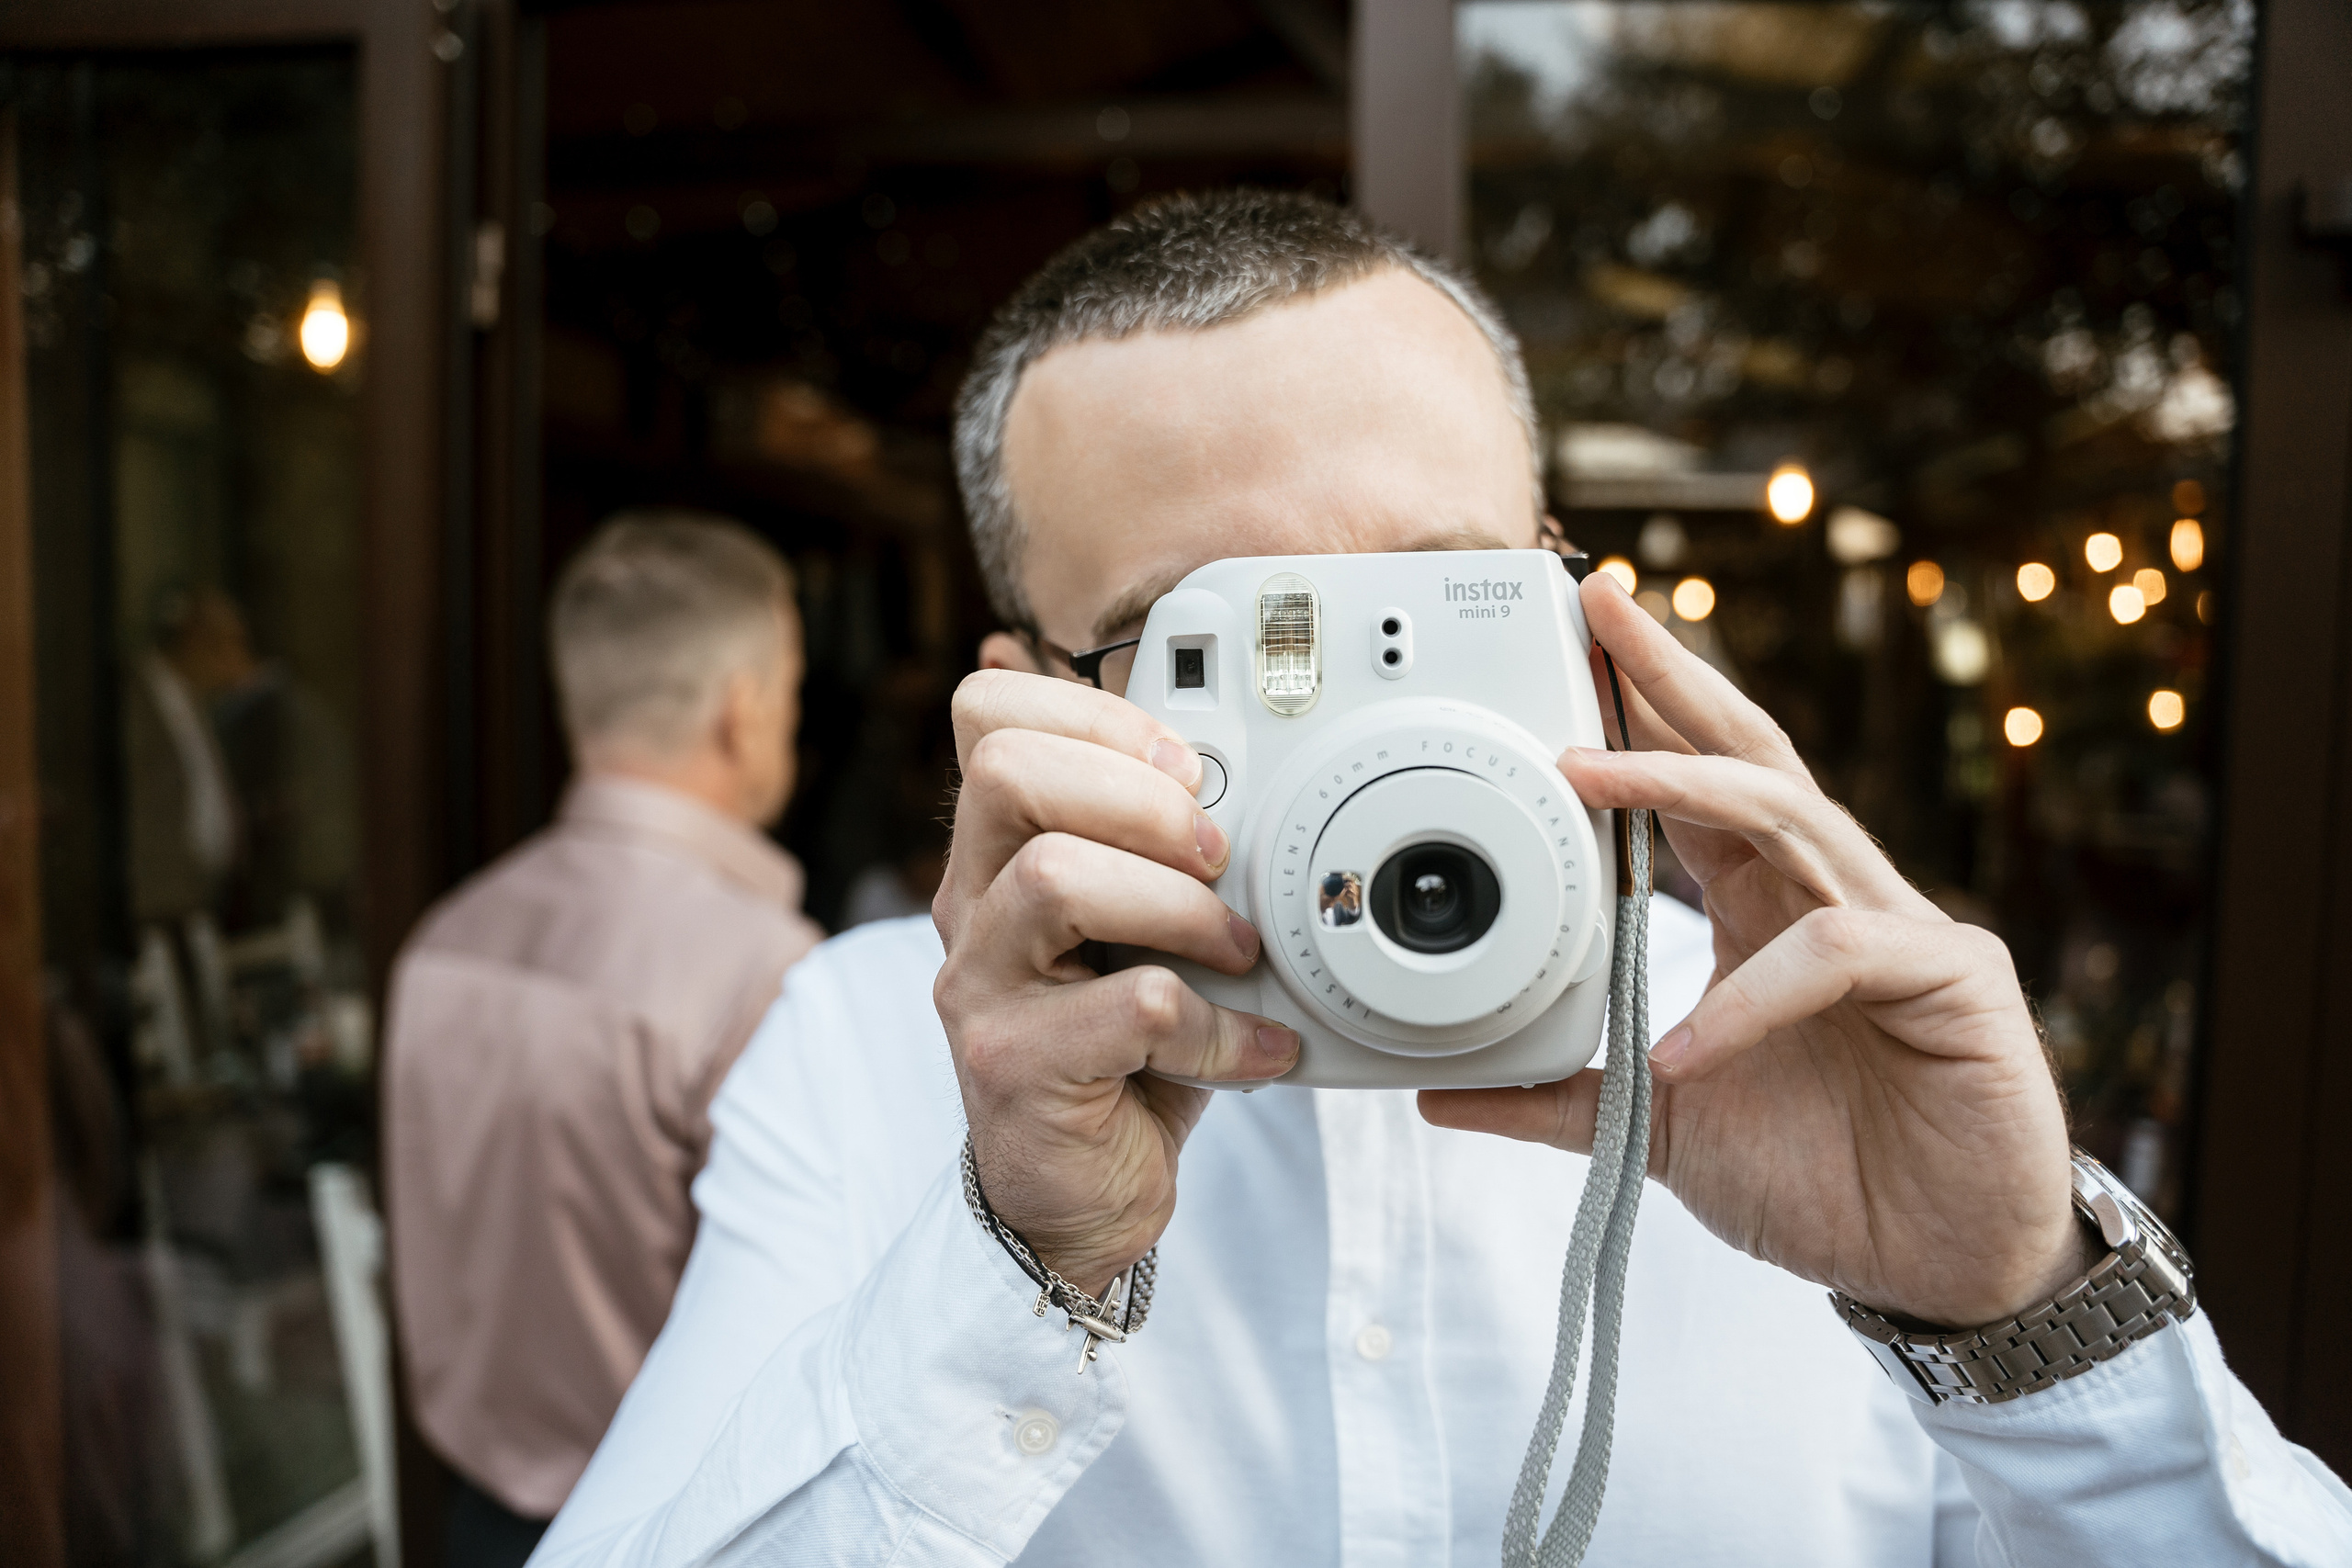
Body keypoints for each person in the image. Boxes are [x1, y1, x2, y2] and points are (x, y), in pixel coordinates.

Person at [534, 195, 2352, 1566]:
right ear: (1030, 693)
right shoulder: (872, 1049)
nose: (1370, 730)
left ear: (1574, 595)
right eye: (1230, 638)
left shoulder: (1792, 1037)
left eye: (1441, 599)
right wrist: (1011, 1264)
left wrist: (2016, 1310)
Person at [385, 512, 824, 1568]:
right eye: (793, 692)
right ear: (745, 709)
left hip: (471, 1517)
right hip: (682, 1530)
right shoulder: (772, 972)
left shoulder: (446, 940)